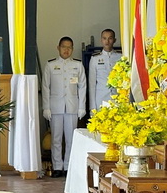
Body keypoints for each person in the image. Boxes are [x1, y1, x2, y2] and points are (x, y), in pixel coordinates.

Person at [42, 36, 87, 178]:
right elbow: (45, 88)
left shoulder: (78, 65)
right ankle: (57, 166)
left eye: (69, 47)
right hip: (55, 107)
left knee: (70, 138)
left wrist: (82, 107)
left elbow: (82, 87)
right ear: (58, 48)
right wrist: (46, 107)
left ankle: (68, 166)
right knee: (55, 138)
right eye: (64, 47)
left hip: (72, 106)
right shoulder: (50, 65)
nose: (66, 50)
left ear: (72, 49)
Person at [88, 28, 122, 113]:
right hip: (101, 99)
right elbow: (92, 84)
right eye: (104, 38)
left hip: (117, 97)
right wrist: (92, 106)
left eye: (110, 38)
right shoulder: (95, 58)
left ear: (114, 40)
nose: (107, 41)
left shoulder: (120, 57)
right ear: (101, 40)